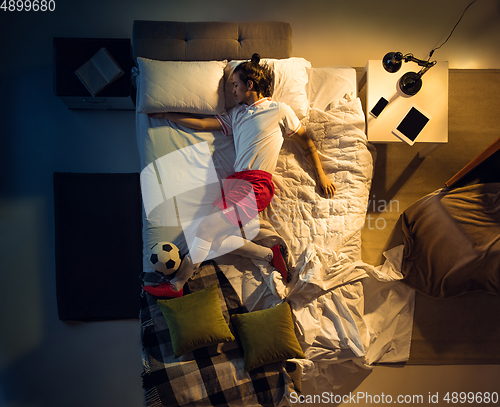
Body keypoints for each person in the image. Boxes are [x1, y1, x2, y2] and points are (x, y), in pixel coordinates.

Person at [144, 53, 335, 297]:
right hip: (236, 183)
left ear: (250, 84)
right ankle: (270, 254)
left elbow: (306, 140)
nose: (232, 90)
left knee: (205, 230)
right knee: (214, 239)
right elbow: (202, 125)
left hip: (257, 184)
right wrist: (167, 115)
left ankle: (176, 285)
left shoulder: (279, 110)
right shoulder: (237, 115)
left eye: (235, 84)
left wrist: (321, 175)